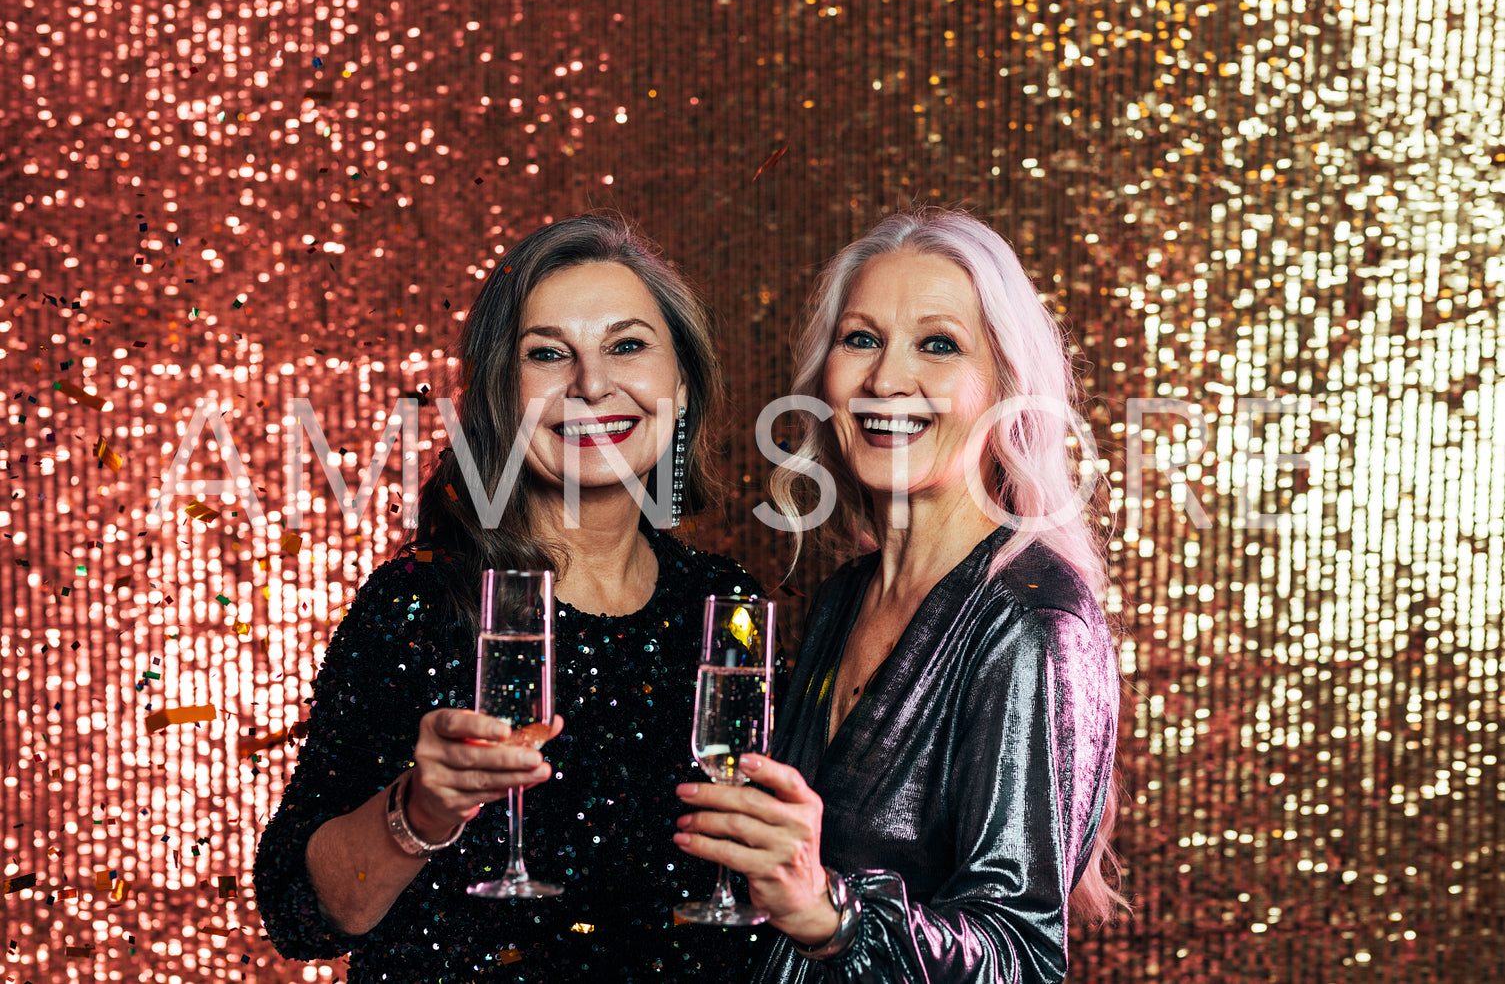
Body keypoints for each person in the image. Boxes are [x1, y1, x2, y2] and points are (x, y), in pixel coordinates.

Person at [253, 214, 766, 982]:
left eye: (627, 345)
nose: (593, 384)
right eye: (548, 354)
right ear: (500, 392)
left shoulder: (725, 602)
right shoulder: (423, 602)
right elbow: (302, 913)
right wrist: (419, 809)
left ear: (682, 382)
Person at [671, 208, 1126, 983]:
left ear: (1007, 388)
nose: (886, 379)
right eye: (861, 339)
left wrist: (831, 913)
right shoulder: (845, 594)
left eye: (938, 344)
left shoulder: (1030, 619)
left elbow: (1022, 957)